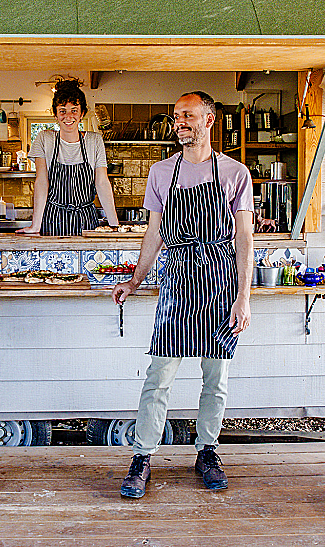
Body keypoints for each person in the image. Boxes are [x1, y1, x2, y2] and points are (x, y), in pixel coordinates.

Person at [111, 92, 254, 498]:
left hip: (221, 280)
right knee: (158, 377)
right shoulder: (161, 172)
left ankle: (207, 450)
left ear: (209, 119)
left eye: (188, 115)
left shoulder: (235, 172)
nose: (180, 123)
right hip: (176, 279)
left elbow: (245, 238)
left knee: (216, 378)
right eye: (177, 116)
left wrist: (244, 297)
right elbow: (154, 233)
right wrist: (135, 281)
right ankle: (142, 456)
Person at [17, 79, 120, 235]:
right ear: (55, 114)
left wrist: (114, 225)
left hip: (86, 220)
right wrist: (35, 226)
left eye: (74, 110)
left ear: (82, 113)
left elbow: (102, 183)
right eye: (62, 111)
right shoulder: (44, 139)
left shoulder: (94, 141)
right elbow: (41, 182)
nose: (68, 116)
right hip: (53, 220)